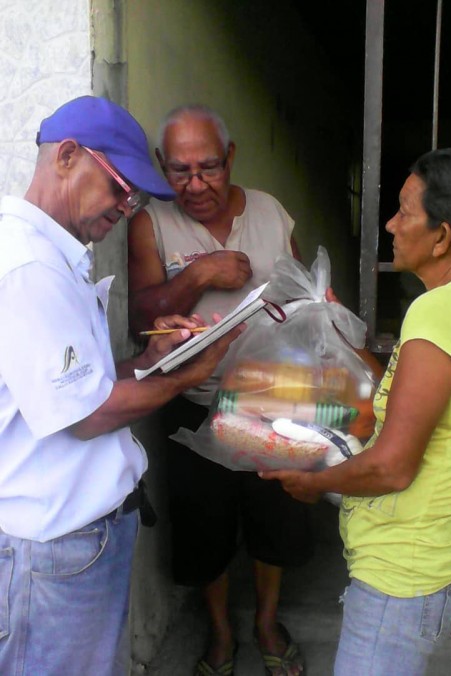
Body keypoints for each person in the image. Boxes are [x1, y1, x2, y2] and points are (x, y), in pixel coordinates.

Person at [0, 95, 243, 676]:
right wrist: (187, 376)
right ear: (66, 156)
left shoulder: (54, 257)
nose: (125, 205)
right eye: (118, 186)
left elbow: (84, 388)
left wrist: (154, 360)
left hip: (77, 541)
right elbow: (85, 415)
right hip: (56, 547)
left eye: (133, 195)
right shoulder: (28, 266)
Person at [260, 148, 451, 675]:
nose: (390, 224)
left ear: (442, 237)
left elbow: (392, 467)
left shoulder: (440, 310)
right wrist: (342, 336)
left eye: (404, 211)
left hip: (401, 571)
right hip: (435, 555)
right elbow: (403, 397)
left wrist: (313, 483)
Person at [128, 104, 311, 676]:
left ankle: (265, 621)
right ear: (161, 165)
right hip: (192, 403)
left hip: (271, 402)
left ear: (230, 157)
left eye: (208, 167)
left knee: (274, 521)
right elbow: (141, 317)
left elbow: (303, 293)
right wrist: (200, 274)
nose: (196, 184)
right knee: (203, 530)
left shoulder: (270, 212)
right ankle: (222, 632)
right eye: (180, 171)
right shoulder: (151, 223)